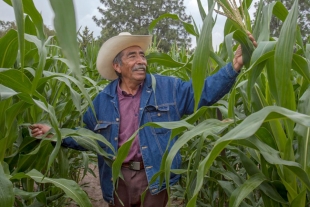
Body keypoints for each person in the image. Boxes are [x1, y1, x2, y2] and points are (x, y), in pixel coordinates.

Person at [31, 32, 257, 207]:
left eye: (142, 55)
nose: (141, 61)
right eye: (132, 56)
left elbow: (203, 93)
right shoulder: (101, 101)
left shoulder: (168, 88)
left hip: (154, 178)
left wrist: (234, 66)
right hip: (117, 178)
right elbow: (86, 137)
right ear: (117, 66)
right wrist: (55, 133)